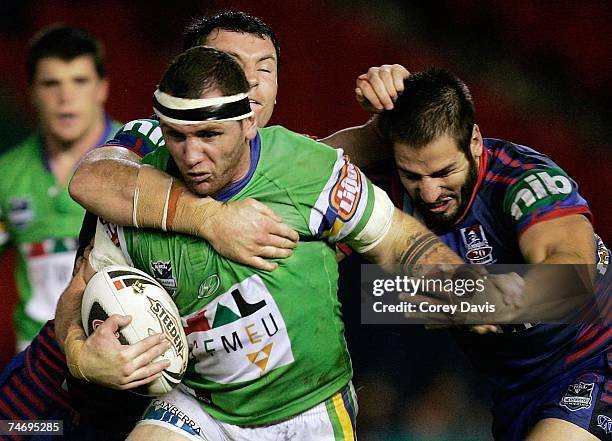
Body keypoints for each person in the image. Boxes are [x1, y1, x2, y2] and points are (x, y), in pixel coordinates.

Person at [66, 46, 465, 440]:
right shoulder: (135, 198)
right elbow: (81, 286)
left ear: (248, 123)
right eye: (176, 136)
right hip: (200, 407)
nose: (191, 155)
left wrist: (490, 298)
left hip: (311, 406)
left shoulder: (308, 170)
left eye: (209, 135)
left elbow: (397, 240)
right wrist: (81, 354)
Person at [368, 68, 610, 441]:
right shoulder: (389, 190)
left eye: (444, 172)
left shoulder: (523, 182)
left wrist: (481, 299)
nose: (429, 194)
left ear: (475, 142)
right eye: (413, 176)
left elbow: (573, 282)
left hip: (594, 360)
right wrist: (371, 128)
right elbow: (311, 174)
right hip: (514, 391)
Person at [0, 25, 122, 350]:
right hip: (35, 358)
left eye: (79, 81)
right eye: (51, 83)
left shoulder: (142, 159)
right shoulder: (7, 175)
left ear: (102, 88)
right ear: (32, 92)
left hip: (119, 352)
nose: (65, 97)